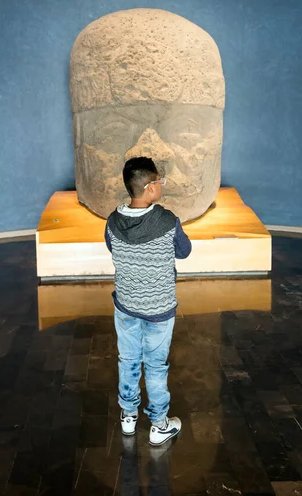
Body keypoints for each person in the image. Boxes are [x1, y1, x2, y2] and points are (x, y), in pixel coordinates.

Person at [104, 156, 192, 446]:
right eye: (160, 181)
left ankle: (128, 416)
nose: (161, 185)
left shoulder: (113, 222)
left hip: (126, 305)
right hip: (159, 309)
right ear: (151, 187)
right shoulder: (167, 221)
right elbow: (184, 251)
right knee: (155, 366)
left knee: (128, 359)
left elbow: (111, 249)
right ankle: (158, 424)